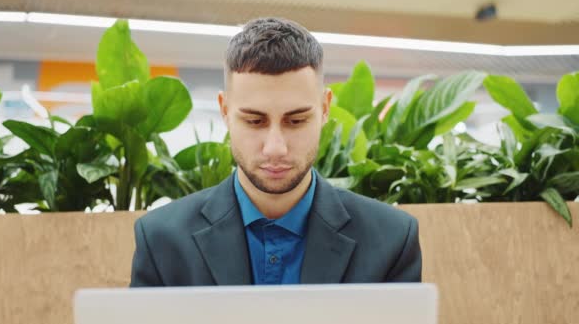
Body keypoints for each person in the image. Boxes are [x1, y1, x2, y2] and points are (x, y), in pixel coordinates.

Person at [130, 17, 421, 286]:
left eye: (296, 121)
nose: (275, 148)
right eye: (255, 121)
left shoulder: (392, 239)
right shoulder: (161, 240)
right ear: (225, 110)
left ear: (324, 109)